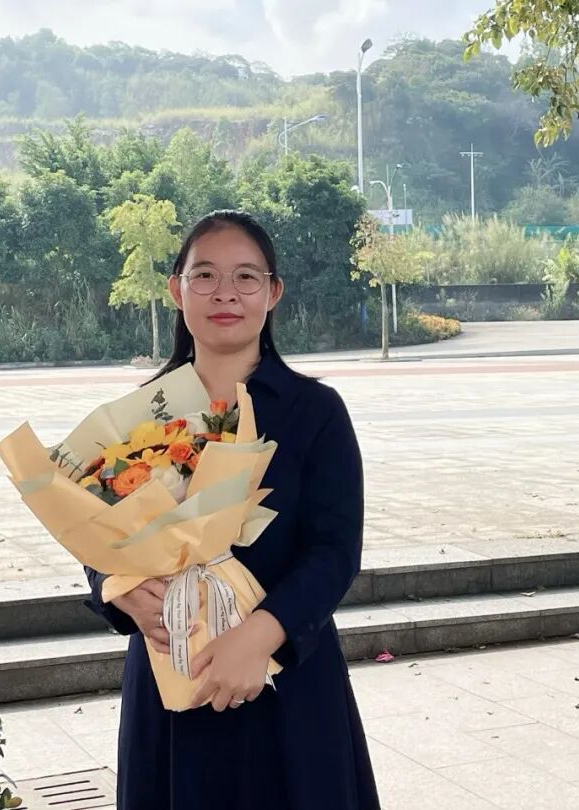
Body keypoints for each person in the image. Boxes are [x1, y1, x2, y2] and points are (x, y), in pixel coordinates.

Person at [85, 210, 380, 810]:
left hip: (286, 683)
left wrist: (258, 638)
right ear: (176, 289)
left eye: (246, 277)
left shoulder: (314, 411)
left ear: (273, 292)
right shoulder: (140, 415)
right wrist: (118, 589)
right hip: (173, 674)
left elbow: (334, 551)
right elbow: (95, 529)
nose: (225, 293)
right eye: (205, 275)